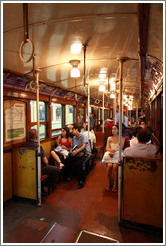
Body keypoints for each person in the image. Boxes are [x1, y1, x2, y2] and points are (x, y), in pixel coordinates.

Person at [24, 129, 60, 194]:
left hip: (27, 167)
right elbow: (45, 162)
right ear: (37, 137)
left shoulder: (25, 146)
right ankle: (47, 185)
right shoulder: (38, 147)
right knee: (56, 170)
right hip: (39, 168)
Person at [102, 125, 125, 193]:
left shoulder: (122, 138)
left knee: (115, 166)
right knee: (109, 165)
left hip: (117, 153)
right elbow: (107, 148)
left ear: (118, 130)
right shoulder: (109, 138)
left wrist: (113, 151)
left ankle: (115, 184)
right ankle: (108, 182)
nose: (113, 130)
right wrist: (111, 151)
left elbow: (120, 147)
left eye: (115, 129)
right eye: (112, 129)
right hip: (111, 153)